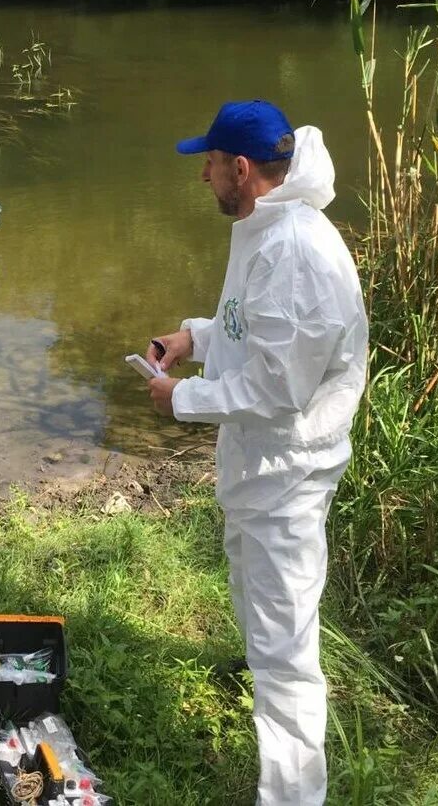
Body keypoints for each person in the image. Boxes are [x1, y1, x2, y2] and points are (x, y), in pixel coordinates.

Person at [145, 101, 367, 805]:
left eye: (208, 164)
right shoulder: (264, 225)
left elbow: (276, 385)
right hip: (259, 463)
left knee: (286, 652)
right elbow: (252, 327)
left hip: (288, 469)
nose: (203, 176)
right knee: (252, 589)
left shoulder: (296, 250)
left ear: (241, 170)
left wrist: (180, 400)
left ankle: (294, 794)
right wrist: (193, 339)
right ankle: (255, 668)